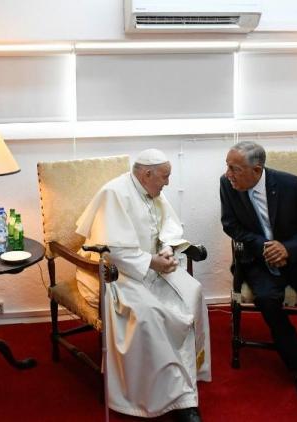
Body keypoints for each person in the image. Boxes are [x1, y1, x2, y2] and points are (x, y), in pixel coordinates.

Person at [75, 149, 211, 422]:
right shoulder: (114, 193)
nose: (168, 183)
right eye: (165, 176)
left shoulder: (153, 191)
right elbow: (110, 250)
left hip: (154, 266)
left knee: (193, 292)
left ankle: (187, 378)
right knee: (150, 315)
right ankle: (168, 397)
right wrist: (151, 262)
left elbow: (167, 228)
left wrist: (166, 250)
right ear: (146, 173)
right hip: (120, 273)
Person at [219, 141, 297, 422]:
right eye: (227, 166)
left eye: (234, 168)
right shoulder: (227, 184)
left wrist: (288, 248)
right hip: (260, 259)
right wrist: (265, 246)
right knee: (267, 300)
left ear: (257, 169)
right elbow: (231, 224)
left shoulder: (291, 185)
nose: (228, 174)